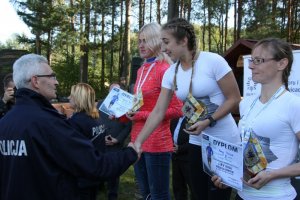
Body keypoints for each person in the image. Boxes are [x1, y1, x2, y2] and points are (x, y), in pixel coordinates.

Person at [0, 53, 138, 200]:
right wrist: (130, 152)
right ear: (35, 81)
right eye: (52, 76)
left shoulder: (5, 123)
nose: (56, 82)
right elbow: (95, 166)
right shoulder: (49, 124)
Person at [133, 18, 241, 200]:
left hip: (224, 141)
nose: (164, 48)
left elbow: (234, 99)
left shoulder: (213, 61)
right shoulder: (171, 73)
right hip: (197, 142)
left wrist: (209, 120)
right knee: (198, 195)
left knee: (217, 196)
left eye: (166, 42)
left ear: (183, 40)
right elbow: (158, 111)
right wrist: (138, 142)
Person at [212, 38, 300, 200]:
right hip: (242, 195)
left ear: (282, 64)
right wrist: (229, 175)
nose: (251, 66)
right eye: (252, 60)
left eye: (258, 61)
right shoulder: (246, 103)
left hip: (277, 196)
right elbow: (245, 149)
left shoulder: (294, 105)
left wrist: (272, 175)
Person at [127, 22, 183, 200]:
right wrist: (122, 113)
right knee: (145, 194)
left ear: (157, 42)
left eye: (145, 41)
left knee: (159, 195)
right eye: (139, 41)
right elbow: (140, 105)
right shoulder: (141, 69)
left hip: (158, 143)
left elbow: (177, 109)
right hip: (137, 140)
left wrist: (141, 115)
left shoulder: (165, 69)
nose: (141, 45)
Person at [68, 83, 106, 200]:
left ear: (79, 99)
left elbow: (70, 152)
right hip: (95, 172)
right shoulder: (97, 118)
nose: (69, 97)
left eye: (72, 95)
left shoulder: (76, 121)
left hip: (81, 177)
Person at [97, 83, 132, 200]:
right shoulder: (101, 104)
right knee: (99, 166)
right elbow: (96, 121)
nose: (115, 92)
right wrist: (101, 137)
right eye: (113, 90)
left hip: (116, 143)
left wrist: (117, 140)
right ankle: (99, 187)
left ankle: (112, 194)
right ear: (109, 91)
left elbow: (128, 127)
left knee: (114, 169)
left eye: (117, 90)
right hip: (101, 141)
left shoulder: (125, 107)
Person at [170, 117, 192, 200]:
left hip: (188, 158)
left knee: (193, 186)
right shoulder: (175, 119)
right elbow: (170, 133)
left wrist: (181, 148)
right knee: (178, 185)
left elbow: (195, 140)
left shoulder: (192, 119)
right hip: (175, 157)